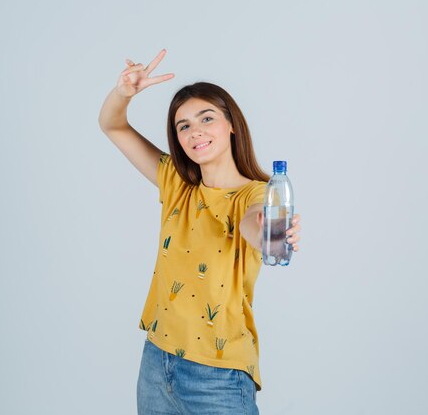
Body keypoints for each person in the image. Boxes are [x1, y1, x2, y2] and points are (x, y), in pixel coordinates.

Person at [98, 49, 302, 415]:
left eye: (206, 118)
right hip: (156, 363)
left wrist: (270, 233)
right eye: (184, 125)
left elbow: (255, 225)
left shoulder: (256, 193)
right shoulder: (175, 182)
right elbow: (113, 125)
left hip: (218, 375)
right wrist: (123, 94)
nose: (196, 132)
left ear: (231, 124)